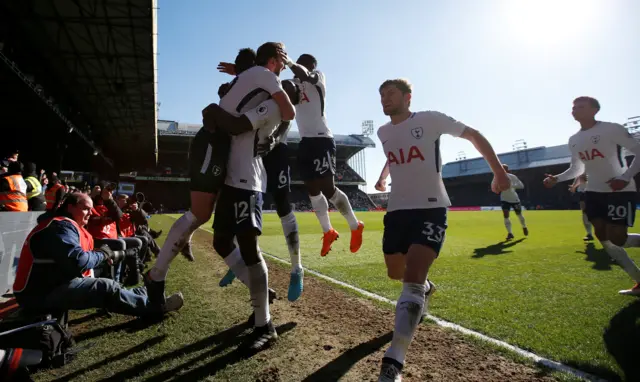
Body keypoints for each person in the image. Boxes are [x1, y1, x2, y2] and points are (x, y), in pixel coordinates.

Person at [373, 79, 510, 382]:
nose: (385, 99)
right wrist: (383, 177)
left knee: (411, 280)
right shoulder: (382, 132)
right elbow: (392, 153)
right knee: (396, 273)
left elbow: (473, 134)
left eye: (391, 93)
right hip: (396, 211)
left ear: (408, 97)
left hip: (430, 208)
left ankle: (393, 362)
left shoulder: (430, 119)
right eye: (381, 95)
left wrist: (498, 171)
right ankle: (426, 288)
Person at [144, 47, 275, 302]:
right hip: (213, 146)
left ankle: (256, 288)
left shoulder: (246, 82)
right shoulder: (251, 81)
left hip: (223, 152)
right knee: (200, 213)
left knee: (218, 228)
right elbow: (223, 104)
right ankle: (156, 275)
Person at [211, 41, 295, 350]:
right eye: (282, 62)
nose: (283, 68)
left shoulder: (270, 100)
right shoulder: (255, 80)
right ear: (274, 60)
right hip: (232, 176)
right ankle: (263, 296)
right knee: (221, 241)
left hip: (247, 177)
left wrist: (213, 112)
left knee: (248, 247)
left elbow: (284, 111)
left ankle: (264, 324)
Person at [217, 54, 305, 301]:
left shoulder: (285, 96)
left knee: (283, 206)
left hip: (274, 154)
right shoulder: (265, 85)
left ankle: (297, 268)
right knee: (241, 204)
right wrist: (237, 74)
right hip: (252, 155)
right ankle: (239, 263)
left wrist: (274, 141)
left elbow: (286, 119)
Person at [12, 192, 183, 317]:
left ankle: (139, 293)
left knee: (108, 280)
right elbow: (78, 260)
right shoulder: (60, 226)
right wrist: (103, 254)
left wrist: (103, 256)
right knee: (105, 286)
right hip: (39, 295)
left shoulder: (62, 225)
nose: (89, 213)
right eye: (85, 209)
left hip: (50, 285)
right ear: (70, 207)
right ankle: (154, 308)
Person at [543, 96, 640, 296]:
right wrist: (557, 179)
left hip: (619, 191)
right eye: (573, 107)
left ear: (595, 110)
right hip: (593, 192)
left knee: (618, 238)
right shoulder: (574, 139)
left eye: (580, 106)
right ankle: (638, 280)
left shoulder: (611, 129)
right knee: (601, 235)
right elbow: (576, 168)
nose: (574, 110)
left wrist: (625, 177)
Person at [278, 51, 364, 257]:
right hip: (306, 141)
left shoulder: (318, 78)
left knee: (328, 188)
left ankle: (354, 225)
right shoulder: (291, 83)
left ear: (312, 66)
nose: (301, 67)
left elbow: (306, 75)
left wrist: (289, 62)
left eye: (305, 64)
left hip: (322, 138)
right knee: (312, 191)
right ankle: (328, 231)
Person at [499, 164, 528, 240]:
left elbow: (521, 186)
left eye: (504, 169)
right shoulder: (497, 177)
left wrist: (511, 185)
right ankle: (510, 233)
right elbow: (495, 187)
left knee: (519, 214)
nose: (502, 170)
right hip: (504, 199)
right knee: (505, 215)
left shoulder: (513, 177)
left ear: (507, 170)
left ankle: (524, 227)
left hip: (514, 199)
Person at [569, 173, 594, 241]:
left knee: (587, 213)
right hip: (583, 192)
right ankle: (589, 234)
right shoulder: (580, 167)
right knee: (585, 213)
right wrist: (573, 186)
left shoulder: (588, 166)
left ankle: (590, 233)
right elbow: (578, 177)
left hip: (591, 191)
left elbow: (582, 178)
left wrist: (574, 186)